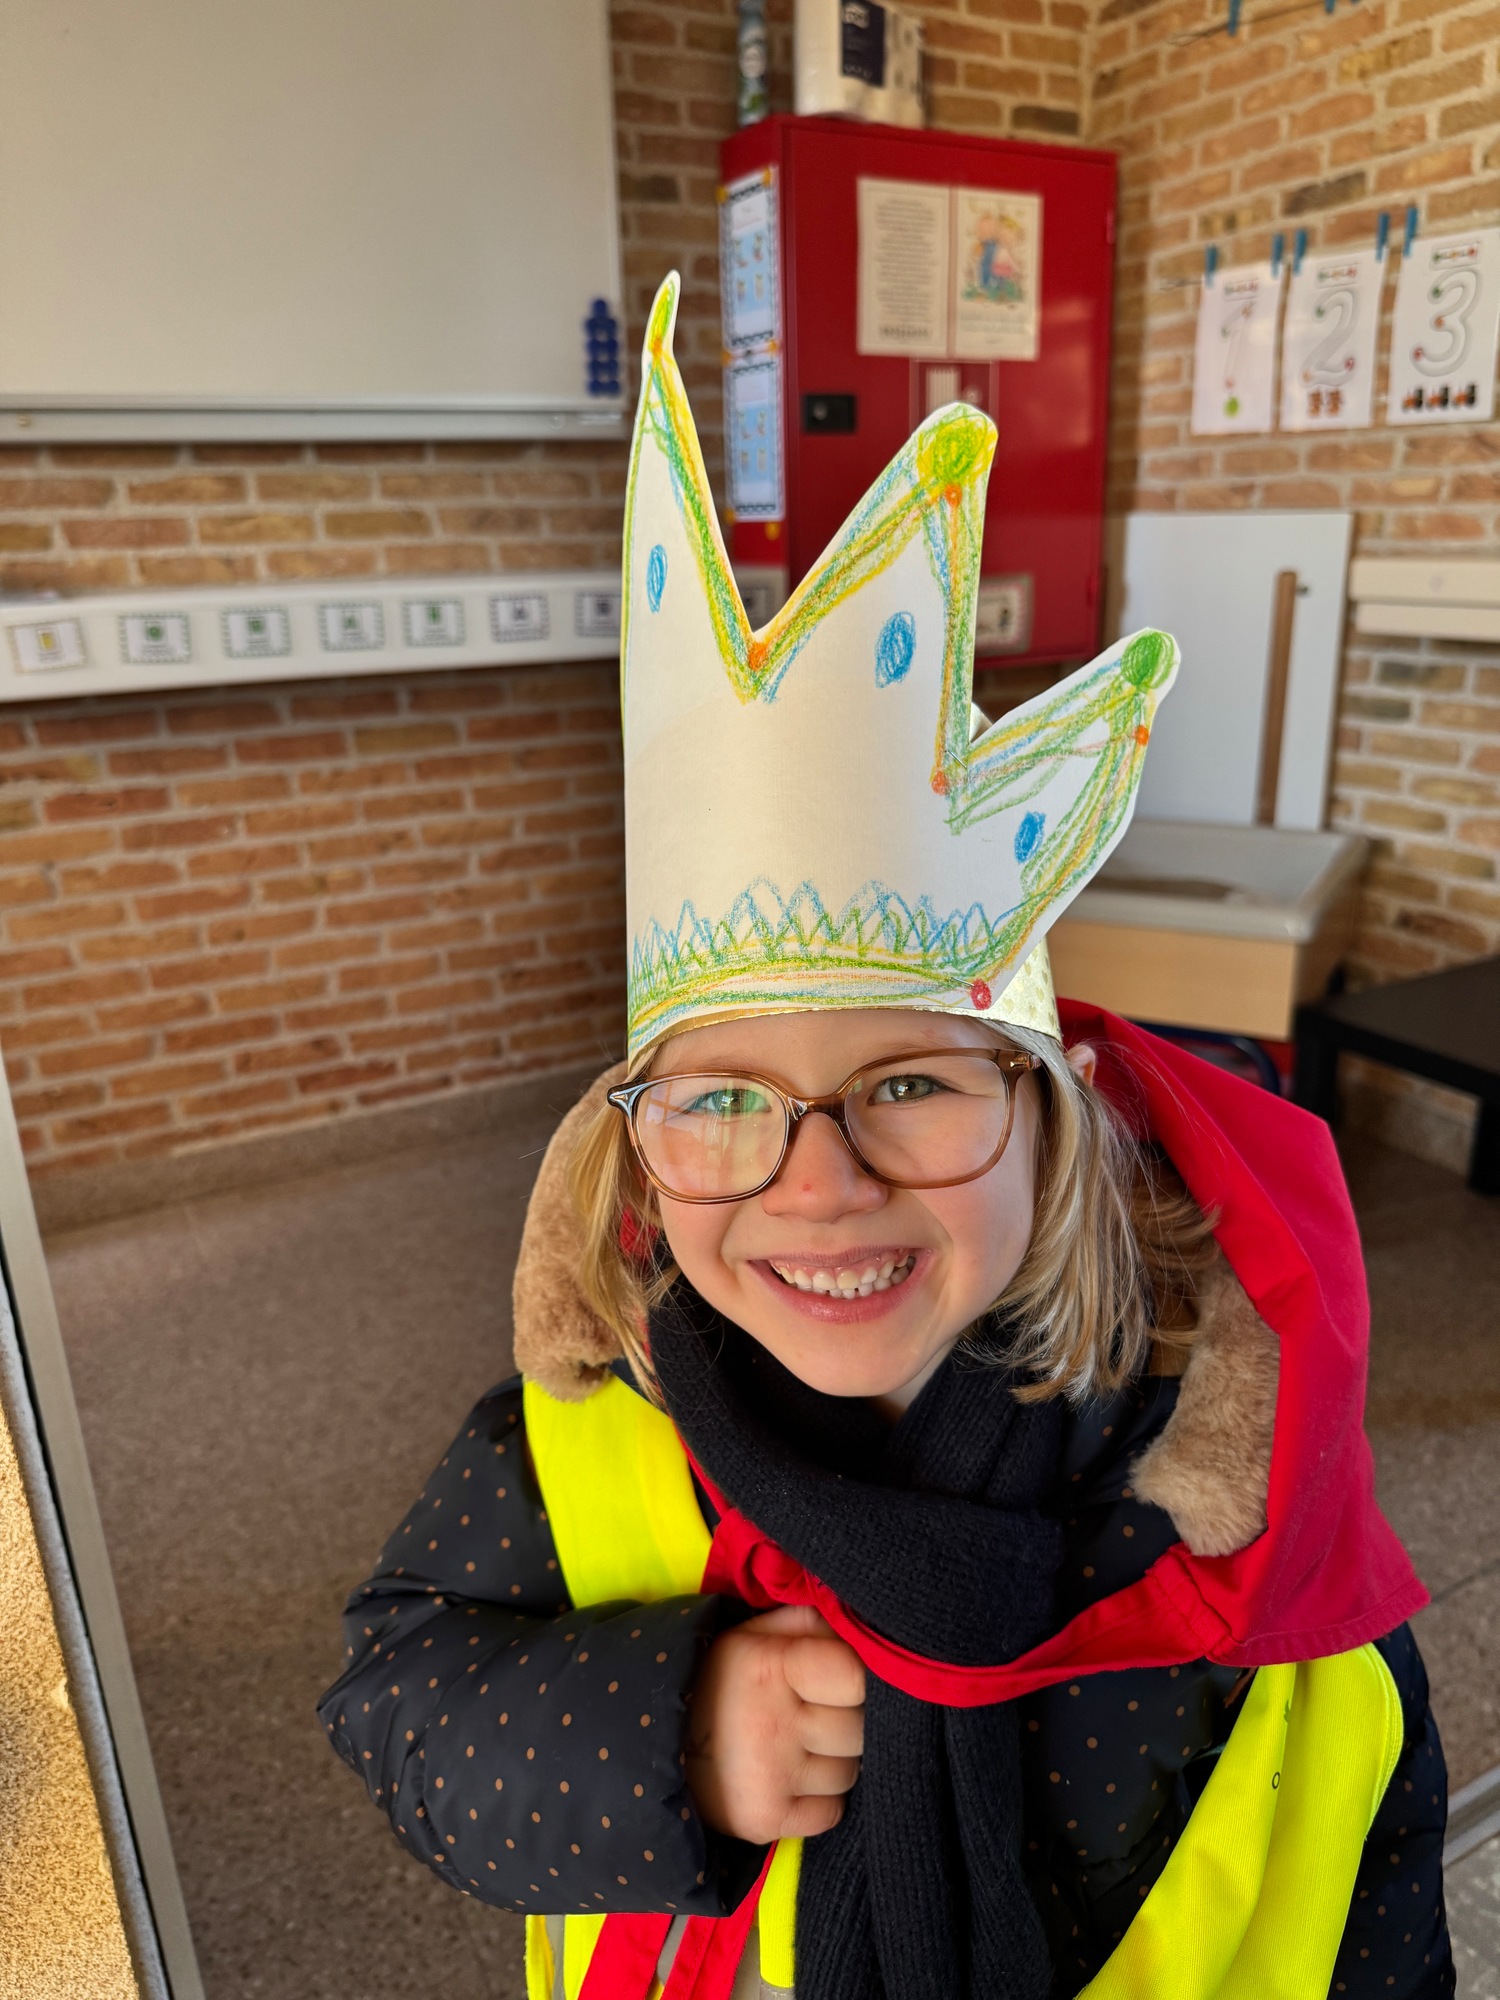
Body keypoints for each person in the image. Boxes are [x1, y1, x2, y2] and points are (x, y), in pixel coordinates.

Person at [321, 273, 1454, 2000]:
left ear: (1055, 1122)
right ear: (633, 1150)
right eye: (722, 1101)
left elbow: (1370, 1885)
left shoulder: (1235, 1507)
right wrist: (667, 1730)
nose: (819, 1181)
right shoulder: (589, 1437)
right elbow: (396, 1692)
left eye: (911, 1084)